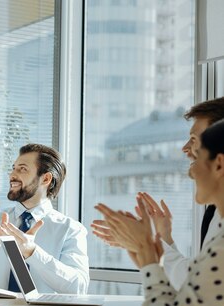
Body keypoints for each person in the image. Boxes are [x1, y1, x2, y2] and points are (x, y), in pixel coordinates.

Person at [90, 98, 224, 306]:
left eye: (193, 142)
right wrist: (160, 244)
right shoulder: (215, 214)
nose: (185, 152)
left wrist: (151, 253)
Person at [92, 97, 224, 290]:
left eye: (194, 139)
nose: (185, 148)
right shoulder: (215, 212)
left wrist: (145, 245)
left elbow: (200, 286)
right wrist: (163, 240)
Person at [0, 143, 89, 294]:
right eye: (13, 168)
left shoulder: (70, 230)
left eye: (22, 169)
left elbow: (78, 288)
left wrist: (33, 253)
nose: (12, 175)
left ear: (46, 179)